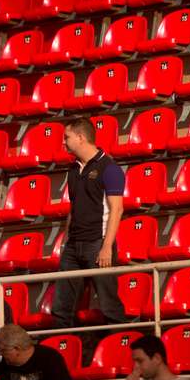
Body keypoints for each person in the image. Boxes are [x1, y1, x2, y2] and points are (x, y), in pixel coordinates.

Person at [52, 117, 127, 328]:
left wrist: (106, 248)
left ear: (81, 137)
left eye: (66, 137)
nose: (63, 142)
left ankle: (119, 347)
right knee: (61, 308)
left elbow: (117, 209)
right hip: (74, 246)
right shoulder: (73, 169)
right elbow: (73, 208)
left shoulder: (109, 168)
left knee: (109, 306)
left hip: (98, 243)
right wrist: (66, 241)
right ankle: (63, 349)